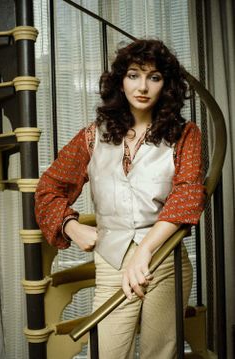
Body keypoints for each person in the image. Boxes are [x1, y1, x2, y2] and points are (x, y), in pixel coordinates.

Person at [35, 39, 206, 358]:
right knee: (108, 352)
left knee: (160, 353)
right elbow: (48, 188)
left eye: (154, 77)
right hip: (111, 262)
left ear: (166, 85)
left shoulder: (185, 134)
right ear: (120, 81)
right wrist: (71, 226)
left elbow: (186, 195)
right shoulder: (92, 135)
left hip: (164, 258)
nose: (143, 86)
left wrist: (145, 252)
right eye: (133, 75)